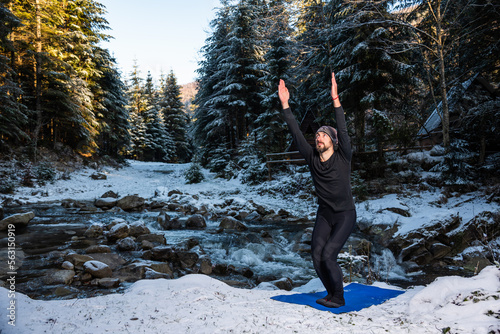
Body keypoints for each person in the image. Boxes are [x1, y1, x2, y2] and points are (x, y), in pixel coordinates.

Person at [278, 72, 356, 308]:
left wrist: (336, 100)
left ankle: (339, 298)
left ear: (332, 140)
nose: (318, 137)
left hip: (344, 214)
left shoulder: (344, 156)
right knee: (316, 256)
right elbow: (296, 133)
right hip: (325, 214)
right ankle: (331, 294)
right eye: (317, 134)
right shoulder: (312, 158)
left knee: (329, 255)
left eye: (323, 134)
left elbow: (342, 129)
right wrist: (285, 105)